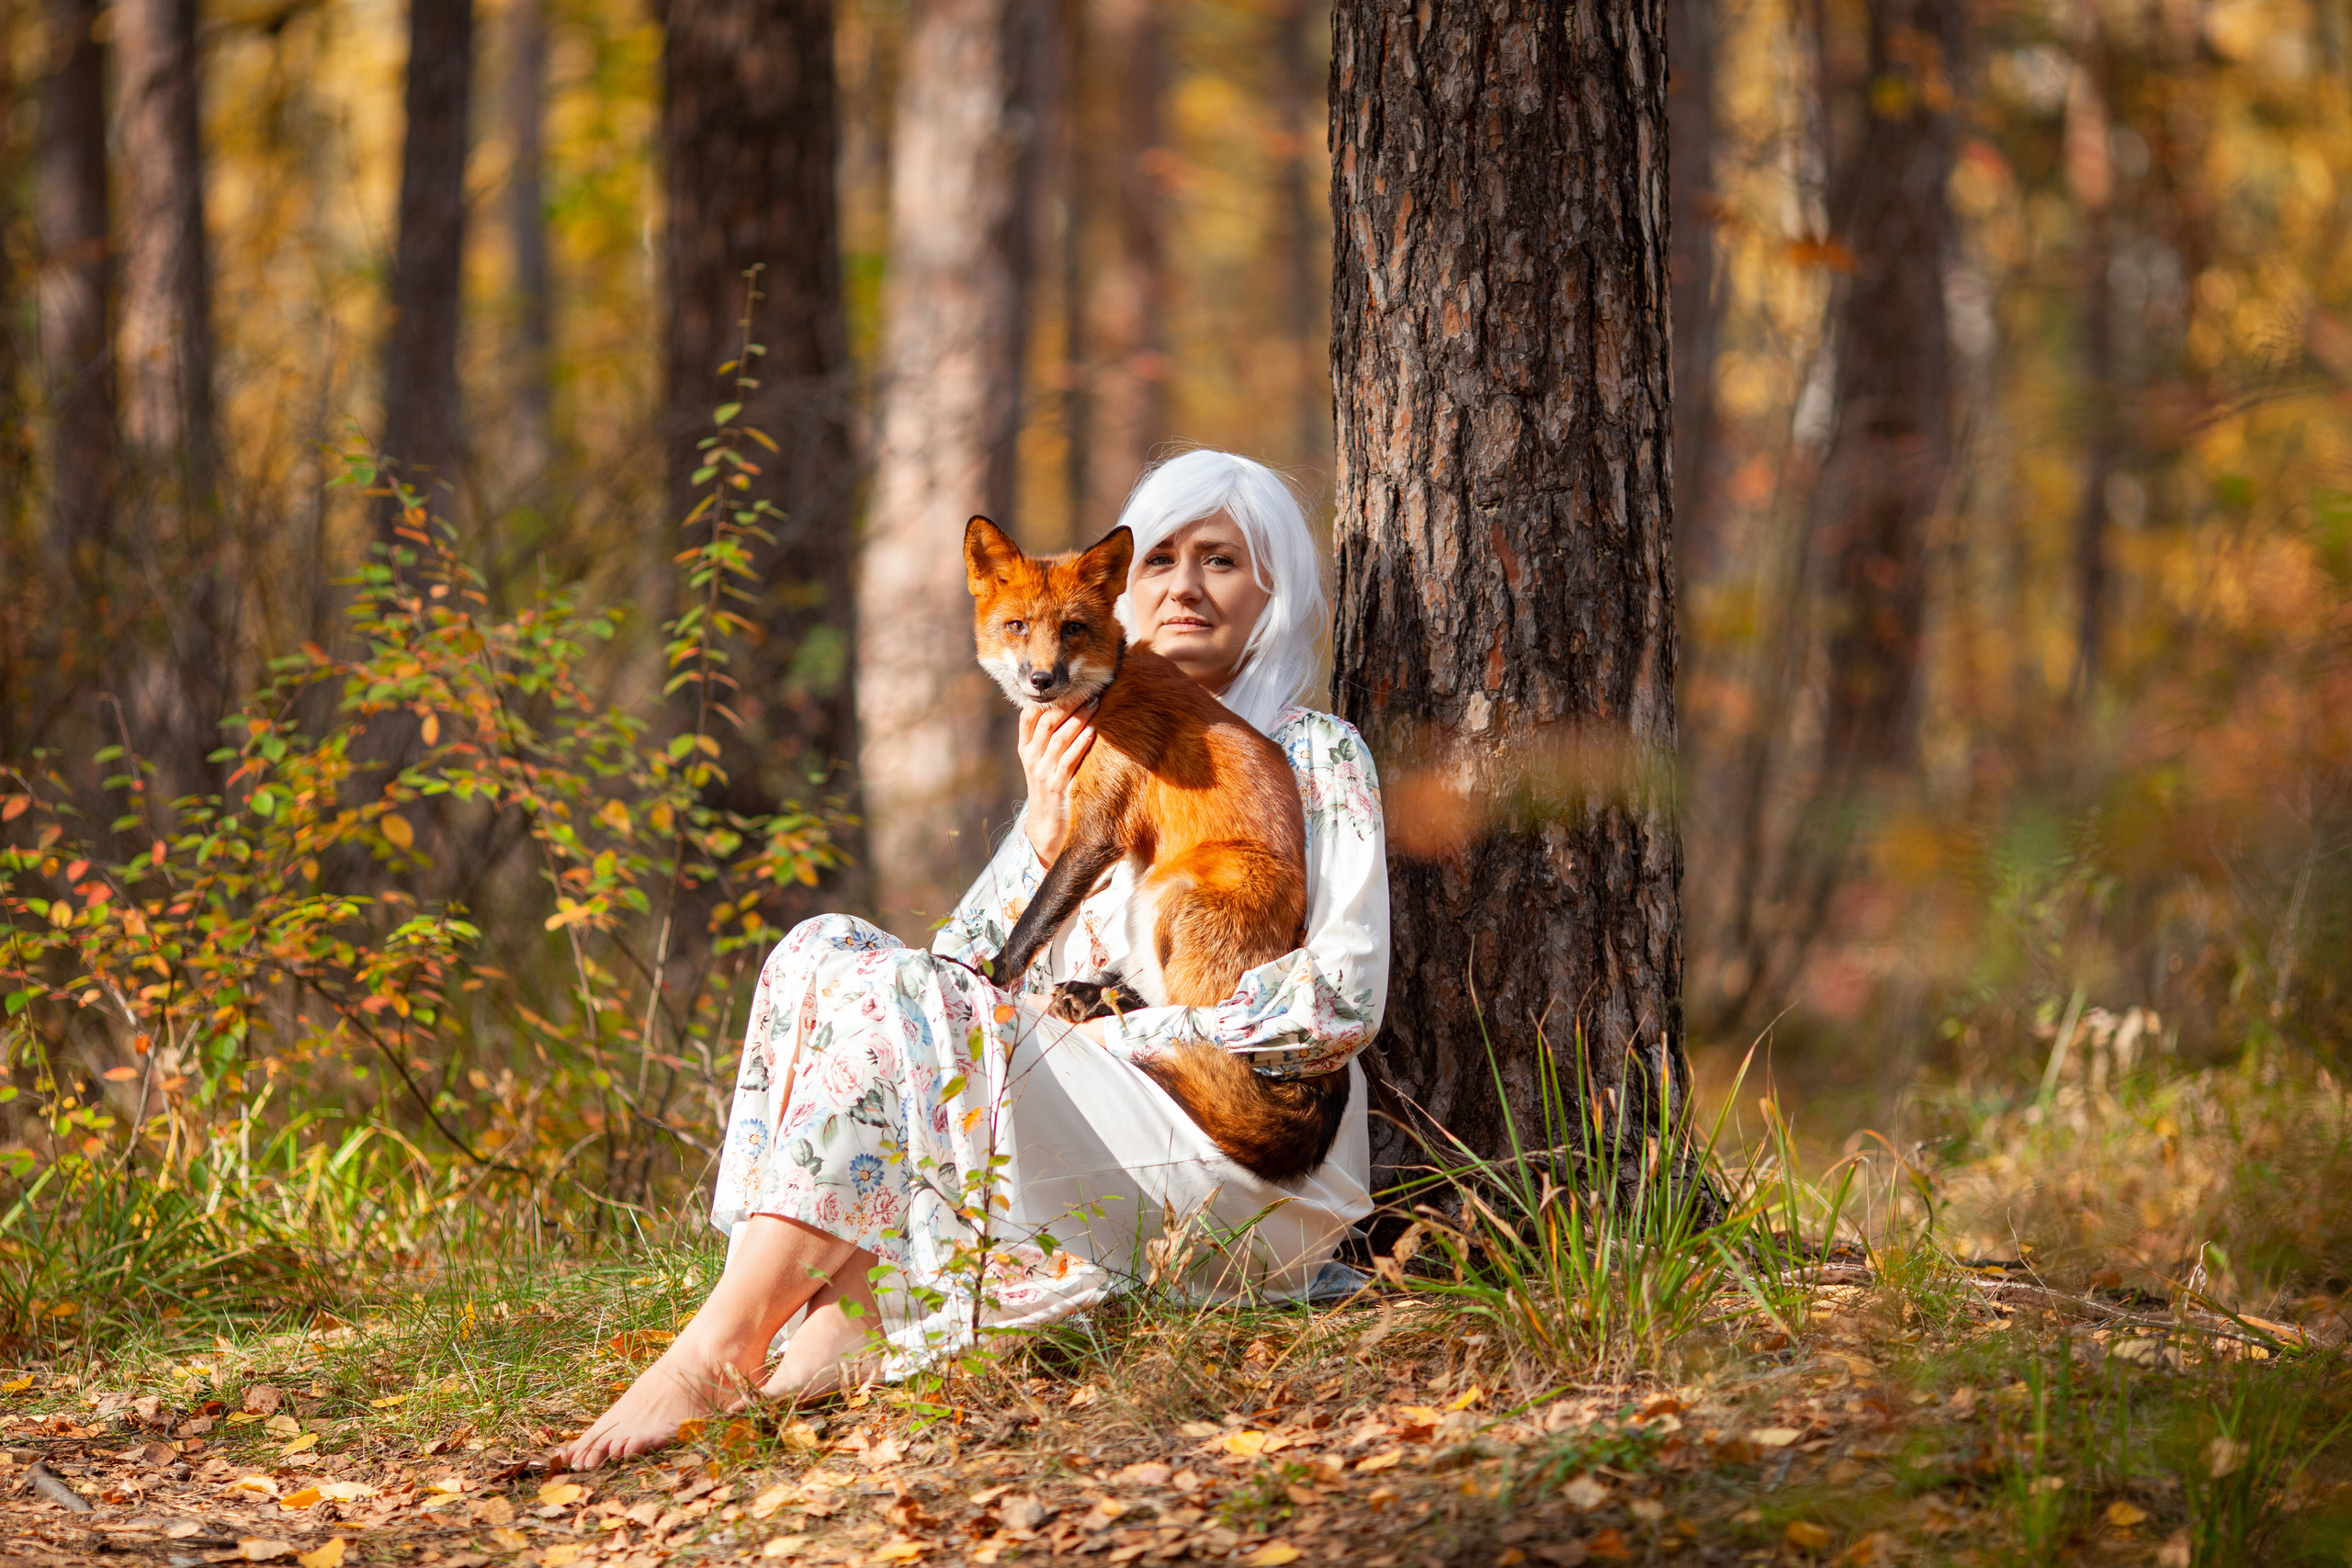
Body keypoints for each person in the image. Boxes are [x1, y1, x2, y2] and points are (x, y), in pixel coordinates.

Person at [558, 450, 1389, 1470]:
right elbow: (950, 977)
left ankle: (716, 1350)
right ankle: (813, 1316)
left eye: (1220, 560)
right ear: (1121, 586)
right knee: (826, 946)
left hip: (1248, 1164)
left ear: (1274, 588)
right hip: (1098, 1137)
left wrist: (1119, 1032)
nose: (1181, 585)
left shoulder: (1313, 752)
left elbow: (1341, 1002)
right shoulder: (1079, 743)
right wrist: (1040, 830)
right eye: (1160, 557)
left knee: (913, 998)